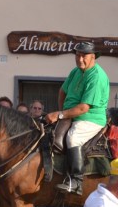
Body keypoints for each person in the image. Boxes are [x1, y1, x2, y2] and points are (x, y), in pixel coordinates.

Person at [45, 42, 109, 195]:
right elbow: (62, 91)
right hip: (72, 114)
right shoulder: (75, 71)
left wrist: (60, 115)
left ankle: (76, 181)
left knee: (73, 138)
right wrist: (63, 113)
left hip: (90, 118)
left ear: (93, 57)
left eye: (84, 55)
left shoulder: (97, 76)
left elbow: (83, 108)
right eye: (78, 55)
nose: (80, 59)